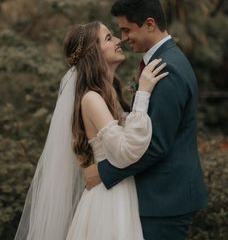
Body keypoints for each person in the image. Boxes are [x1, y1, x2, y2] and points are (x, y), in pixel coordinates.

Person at [14, 21, 168, 240]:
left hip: (119, 192)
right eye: (108, 38)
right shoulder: (92, 98)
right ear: (94, 53)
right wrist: (143, 94)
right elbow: (126, 150)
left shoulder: (109, 94)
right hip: (107, 201)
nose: (118, 40)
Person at [84, 0, 208, 240]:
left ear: (149, 24)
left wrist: (103, 171)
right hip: (160, 197)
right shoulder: (163, 60)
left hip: (164, 200)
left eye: (126, 30)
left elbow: (156, 145)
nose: (123, 38)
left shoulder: (167, 68)